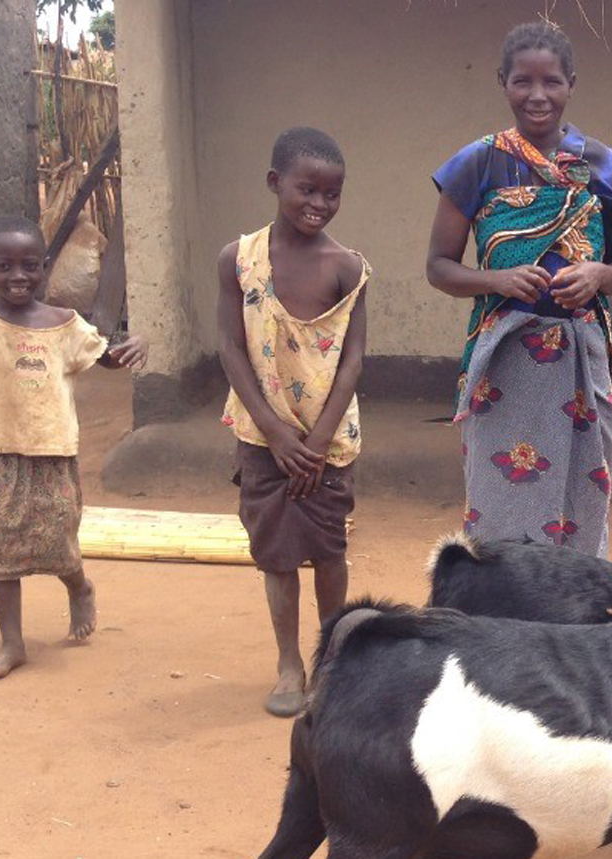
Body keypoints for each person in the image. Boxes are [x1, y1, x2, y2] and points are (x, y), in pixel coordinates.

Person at [425, 20, 612, 557]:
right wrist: (497, 280)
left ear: (571, 84)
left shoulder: (605, 167)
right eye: (522, 81)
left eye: (552, 82)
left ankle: (573, 619)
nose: (537, 95)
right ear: (503, 82)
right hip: (505, 361)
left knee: (580, 495)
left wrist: (596, 276)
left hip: (580, 359)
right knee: (499, 500)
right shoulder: (476, 163)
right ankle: (502, 613)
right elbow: (439, 267)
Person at [217, 127, 369, 717]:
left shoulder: (347, 266)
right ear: (275, 183)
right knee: (277, 555)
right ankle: (289, 662)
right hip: (263, 437)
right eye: (308, 189)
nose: (320, 204)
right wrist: (277, 436)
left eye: (333, 194)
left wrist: (319, 437)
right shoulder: (239, 260)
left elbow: (354, 358)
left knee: (329, 551)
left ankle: (331, 661)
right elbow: (230, 347)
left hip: (326, 441)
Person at [0, 215, 148, 680]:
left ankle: (78, 586)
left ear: (44, 267)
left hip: (51, 454)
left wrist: (131, 345)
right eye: (4, 266)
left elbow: (106, 357)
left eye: (29, 266)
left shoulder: (66, 325)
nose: (17, 276)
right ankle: (12, 643)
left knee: (56, 540)